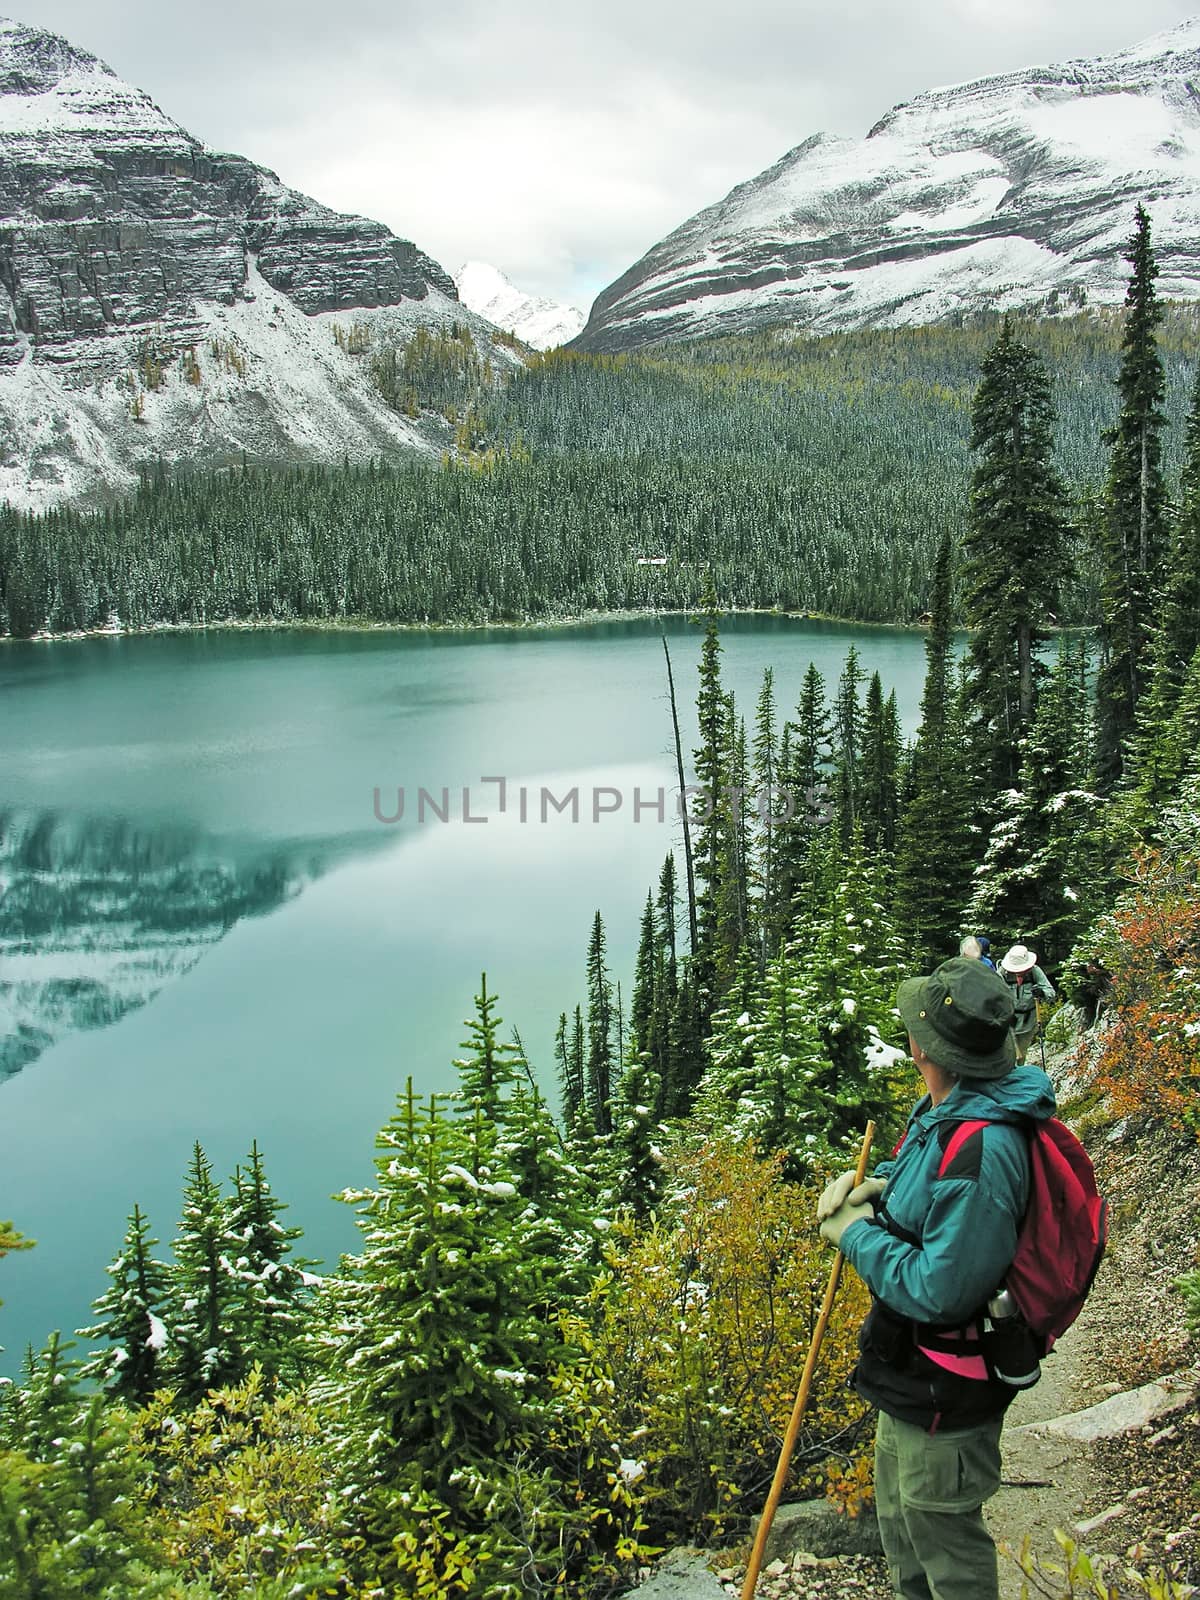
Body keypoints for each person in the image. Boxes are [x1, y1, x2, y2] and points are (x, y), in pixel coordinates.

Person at [816, 956, 1056, 1600]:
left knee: (944, 1546)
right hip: (911, 1380)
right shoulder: (948, 1106)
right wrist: (880, 1187)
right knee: (903, 1526)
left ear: (926, 1046)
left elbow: (940, 1288)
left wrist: (856, 1234)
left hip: (949, 1388)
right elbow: (930, 1191)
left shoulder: (983, 1146)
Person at [998, 944, 1055, 1063]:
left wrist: (1042, 993)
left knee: (1021, 1055)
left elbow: (1051, 993)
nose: (1020, 972)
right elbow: (993, 995)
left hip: (1028, 1022)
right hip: (1008, 1022)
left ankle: (1019, 1075)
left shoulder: (1034, 971)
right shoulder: (1002, 974)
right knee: (1010, 1055)